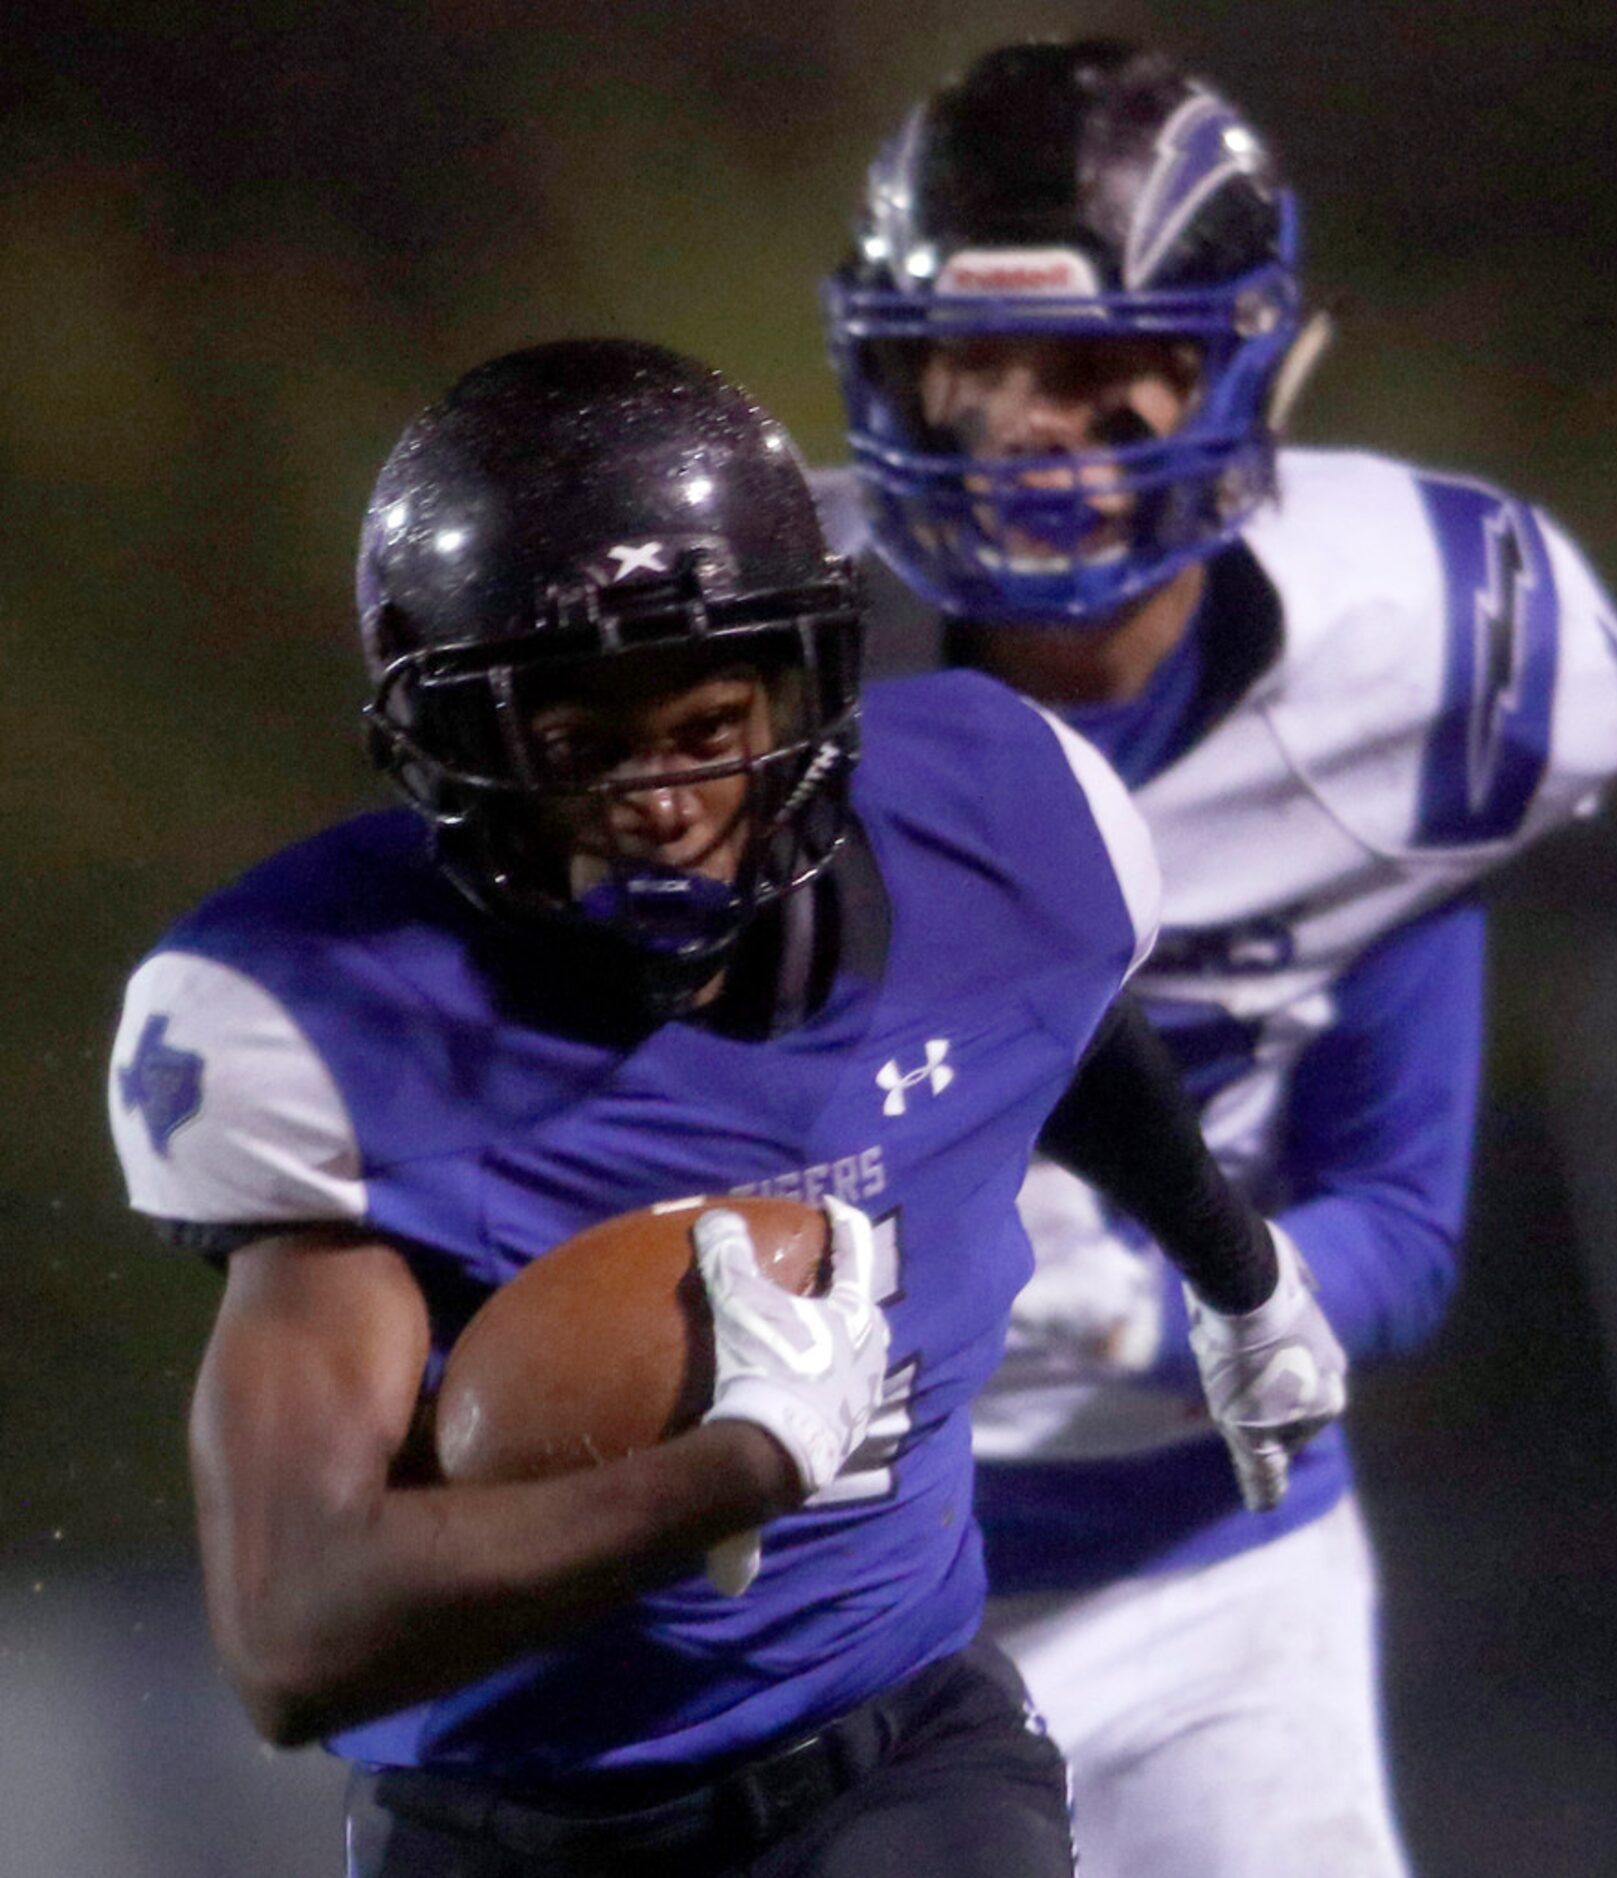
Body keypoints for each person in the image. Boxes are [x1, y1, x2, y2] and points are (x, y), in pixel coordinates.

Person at [106, 338, 1347, 1876]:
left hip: (895, 1759)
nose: (662, 799)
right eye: (578, 746)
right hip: (508, 1828)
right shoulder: (326, 1016)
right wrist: (727, 1471)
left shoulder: (1009, 835)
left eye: (705, 725)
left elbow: (1056, 1019)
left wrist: (1237, 1268)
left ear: (804, 685)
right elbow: (293, 1638)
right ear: (458, 746)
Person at [817, 40, 1617, 1878]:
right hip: (786, 1611)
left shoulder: (1425, 666)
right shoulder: (757, 663)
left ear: (1238, 362)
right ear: (896, 374)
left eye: (1105, 369)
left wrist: (1176, 1295)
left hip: (1206, 1573)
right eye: (981, 368)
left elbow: (1399, 1221)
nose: (1033, 435)